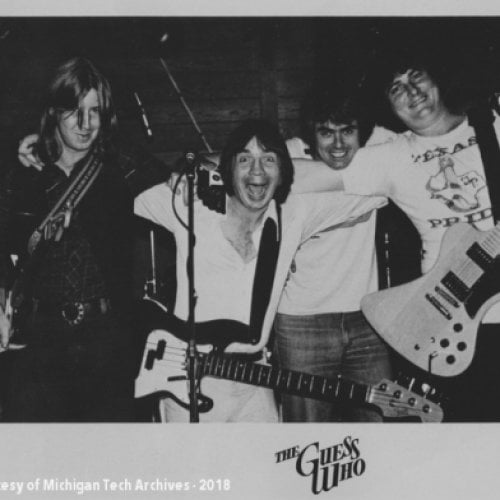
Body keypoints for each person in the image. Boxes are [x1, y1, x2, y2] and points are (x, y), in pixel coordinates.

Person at [291, 49, 500, 421]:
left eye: (415, 76)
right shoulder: (393, 155)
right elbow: (303, 176)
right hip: (450, 324)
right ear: (390, 106)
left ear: (436, 79)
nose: (411, 91)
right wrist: (212, 162)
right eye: (395, 88)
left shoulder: (492, 125)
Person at [134, 118, 384, 422]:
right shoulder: (190, 205)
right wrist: (176, 175)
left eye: (268, 160)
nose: (256, 171)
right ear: (227, 169)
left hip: (254, 387)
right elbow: (124, 191)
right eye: (244, 159)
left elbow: (380, 187)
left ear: (282, 173)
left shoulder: (294, 215)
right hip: (184, 383)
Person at [0, 57, 167, 422]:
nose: (86, 123)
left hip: (108, 339)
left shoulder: (121, 167)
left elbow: (177, 184)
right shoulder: (22, 174)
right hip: (39, 341)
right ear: (53, 112)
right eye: (74, 111)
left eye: (95, 111)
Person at [274, 86, 396, 422]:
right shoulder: (285, 154)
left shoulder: (381, 144)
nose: (339, 145)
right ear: (310, 135)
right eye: (326, 133)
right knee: (307, 436)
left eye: (348, 131)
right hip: (301, 321)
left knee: (379, 424)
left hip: (367, 316)